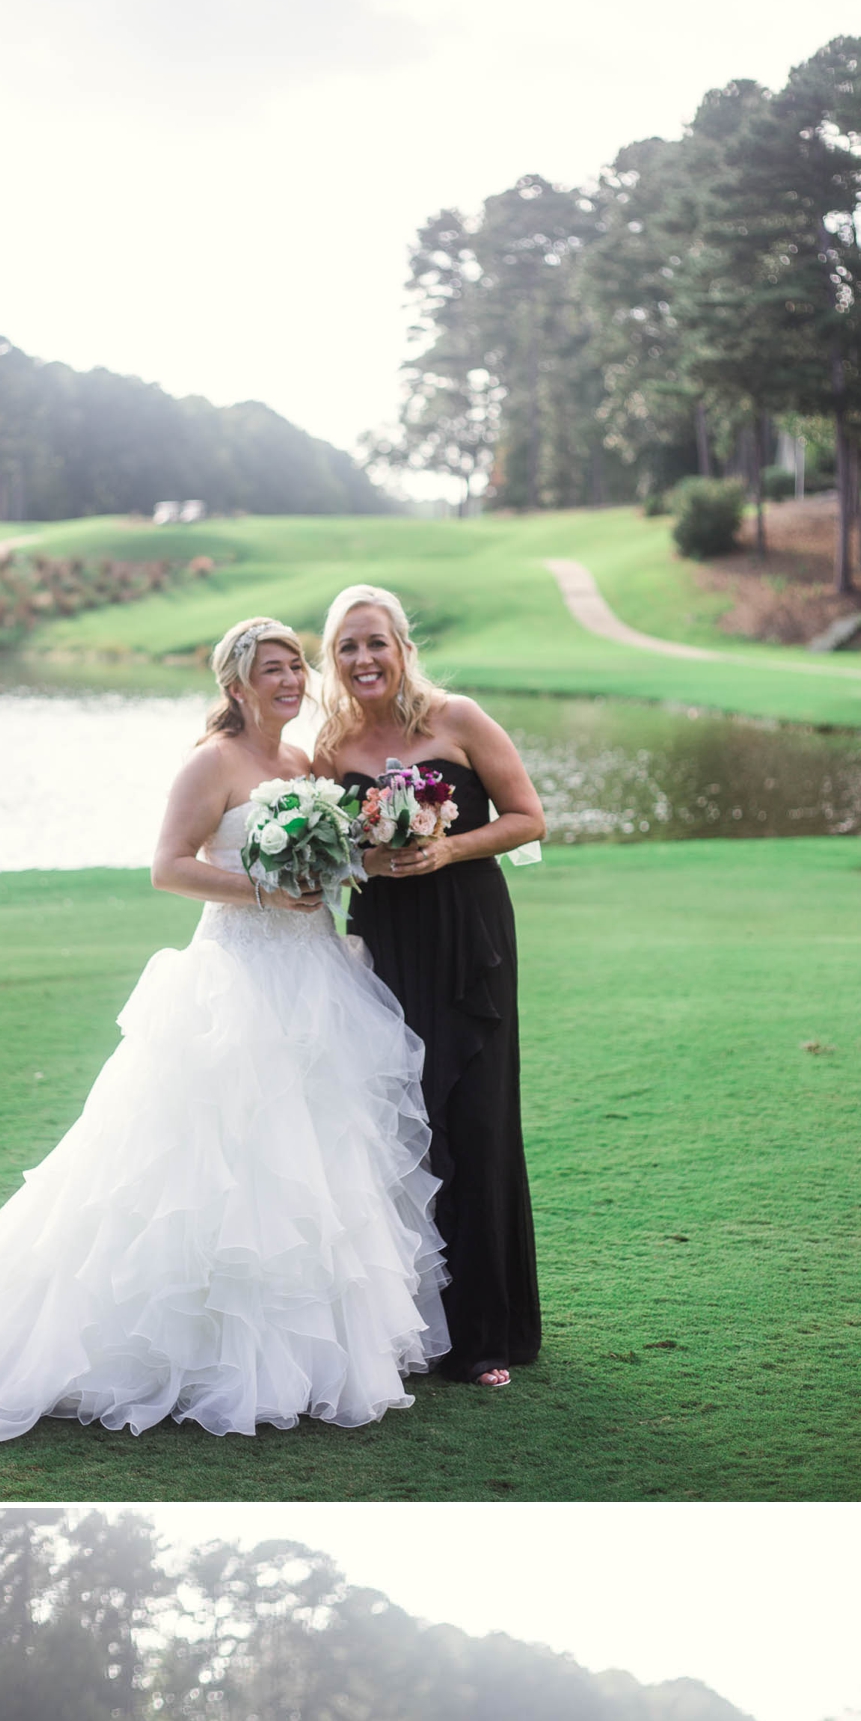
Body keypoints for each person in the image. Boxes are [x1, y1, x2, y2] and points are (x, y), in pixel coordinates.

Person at [0, 618, 445, 1439]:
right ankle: (190, 1352)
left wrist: (366, 854)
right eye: (272, 670)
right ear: (236, 685)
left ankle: (308, 1358)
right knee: (220, 1165)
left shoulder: (303, 762)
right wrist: (263, 892)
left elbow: (323, 863)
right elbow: (168, 866)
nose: (291, 681)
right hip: (236, 977)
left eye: (297, 667)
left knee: (315, 1161)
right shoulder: (212, 762)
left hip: (315, 977)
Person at [318, 585, 544, 1388]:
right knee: (405, 1126)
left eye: (375, 642)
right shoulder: (331, 742)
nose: (363, 659)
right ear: (333, 659)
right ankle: (417, 1327)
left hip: (468, 937)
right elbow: (327, 851)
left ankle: (488, 1336)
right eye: (347, 647)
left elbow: (528, 818)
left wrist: (448, 850)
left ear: (403, 646)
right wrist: (366, 860)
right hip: (385, 944)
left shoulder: (458, 719)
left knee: (476, 1120)